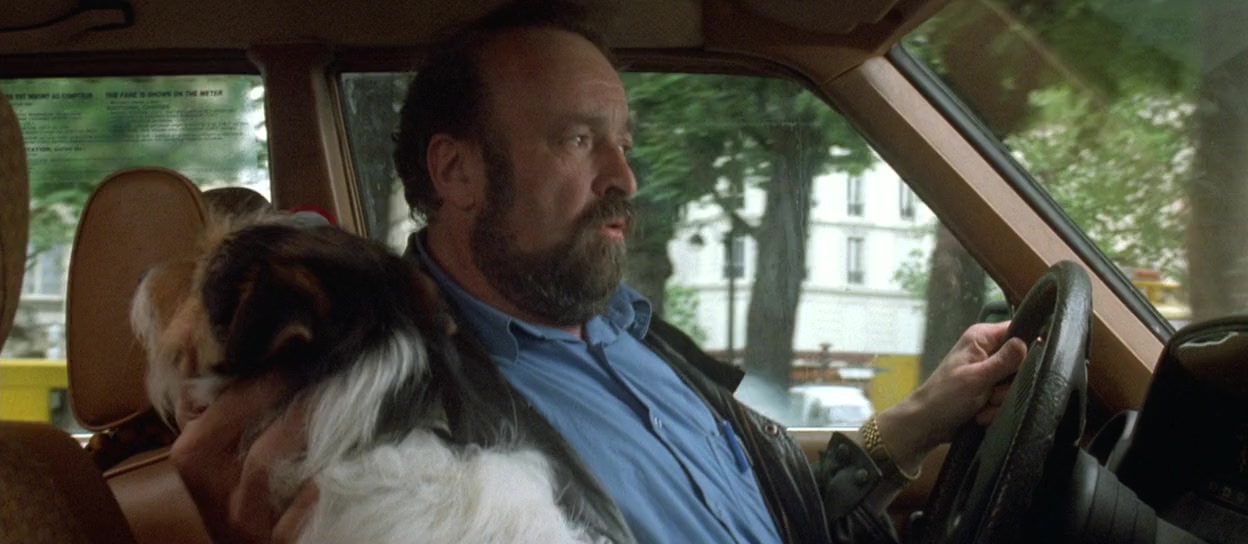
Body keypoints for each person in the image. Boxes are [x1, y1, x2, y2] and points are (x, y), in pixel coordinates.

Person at [169, 2, 1028, 543]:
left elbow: (771, 510)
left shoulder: (631, 332)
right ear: (457, 172)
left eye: (623, 141)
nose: (625, 178)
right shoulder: (390, 404)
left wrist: (913, 422)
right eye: (579, 140)